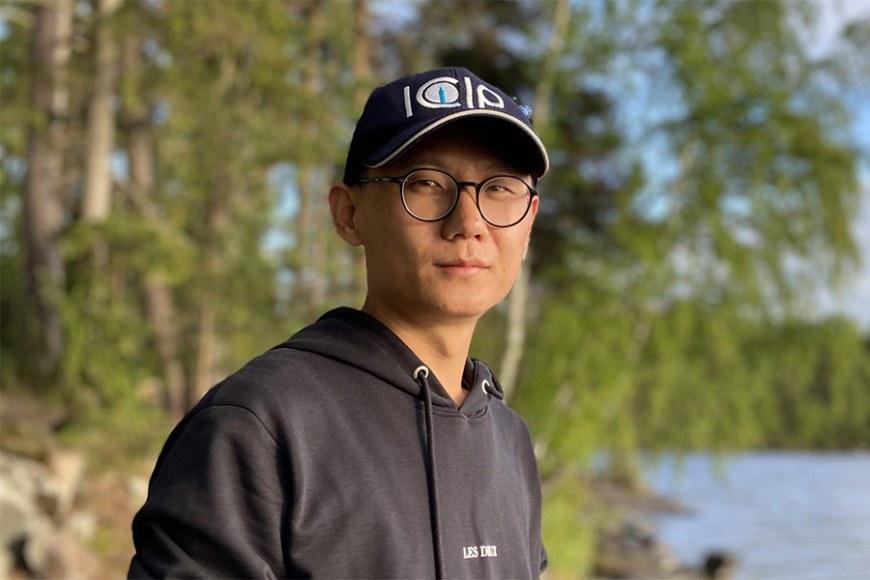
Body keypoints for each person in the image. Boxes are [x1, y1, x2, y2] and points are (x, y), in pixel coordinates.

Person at [128, 66, 549, 579]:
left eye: (500, 188)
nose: (468, 223)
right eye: (426, 183)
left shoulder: (509, 440)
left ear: (528, 222)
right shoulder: (258, 425)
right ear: (348, 214)